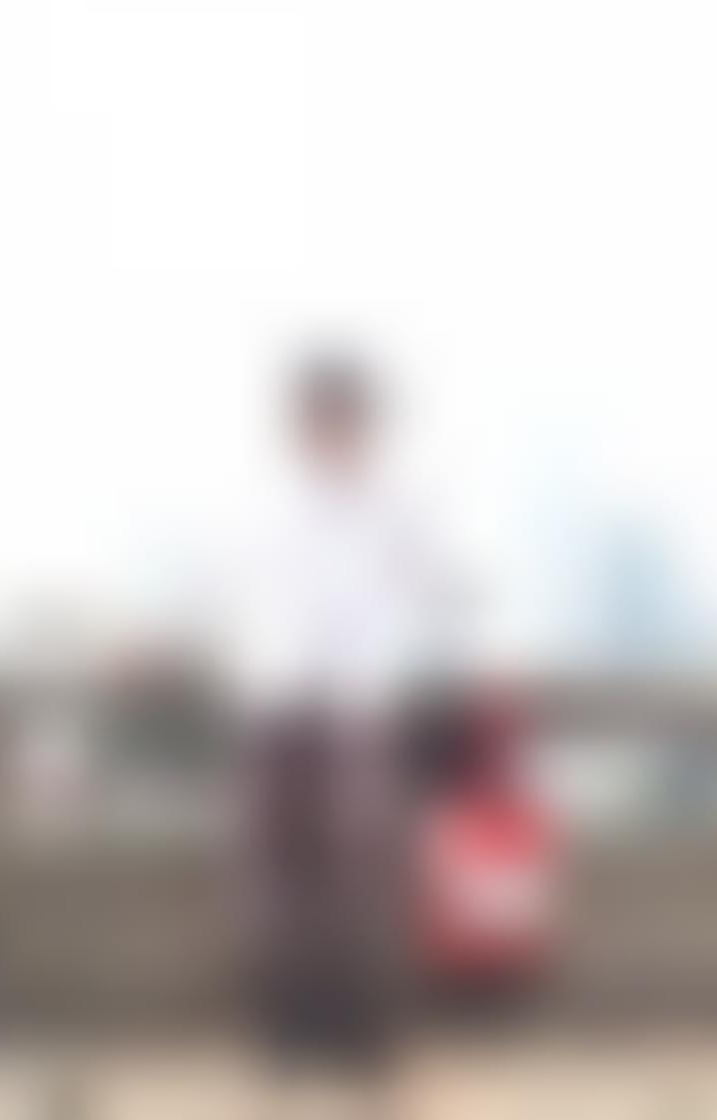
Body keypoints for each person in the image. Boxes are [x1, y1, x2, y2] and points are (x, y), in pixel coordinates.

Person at [227, 351, 457, 1118]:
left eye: (344, 418)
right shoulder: (266, 509)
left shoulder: (402, 510)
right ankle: (287, 1047)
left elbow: (445, 593)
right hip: (277, 706)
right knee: (279, 887)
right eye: (318, 418)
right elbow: (235, 599)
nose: (331, 433)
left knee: (364, 888)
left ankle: (372, 1053)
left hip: (361, 711)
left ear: (366, 426)